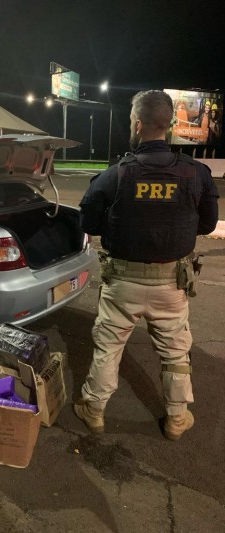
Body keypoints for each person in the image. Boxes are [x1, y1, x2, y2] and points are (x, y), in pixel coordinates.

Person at [74, 90, 219, 441]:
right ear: (169, 124)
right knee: (175, 353)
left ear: (137, 125)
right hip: (171, 285)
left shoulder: (114, 175)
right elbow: (208, 225)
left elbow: (89, 224)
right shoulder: (196, 173)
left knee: (108, 348)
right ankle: (177, 418)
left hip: (122, 284)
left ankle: (93, 411)